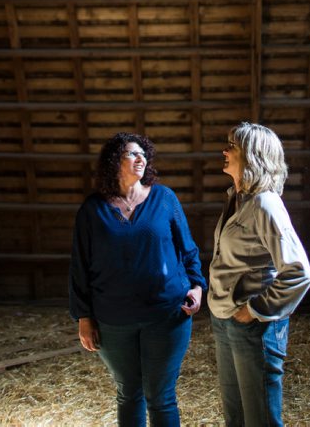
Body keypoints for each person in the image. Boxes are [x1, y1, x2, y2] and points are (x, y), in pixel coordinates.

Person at [69, 131, 206, 427]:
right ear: (113, 161)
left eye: (143, 153)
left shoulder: (164, 198)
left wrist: (197, 286)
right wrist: (83, 317)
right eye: (132, 153)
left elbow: (188, 248)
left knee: (161, 396)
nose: (140, 158)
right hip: (113, 320)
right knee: (129, 394)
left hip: (166, 315)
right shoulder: (92, 209)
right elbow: (80, 266)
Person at [208, 121, 310, 427]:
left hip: (253, 326)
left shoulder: (266, 204)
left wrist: (255, 309)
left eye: (233, 146)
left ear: (252, 156)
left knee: (260, 419)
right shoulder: (237, 199)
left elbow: (298, 273)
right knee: (237, 416)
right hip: (226, 318)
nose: (224, 151)